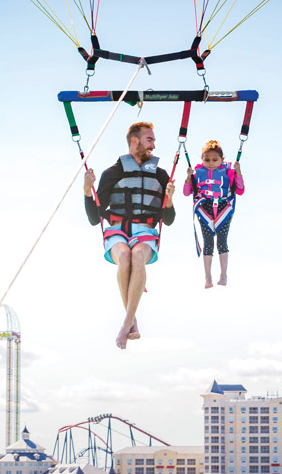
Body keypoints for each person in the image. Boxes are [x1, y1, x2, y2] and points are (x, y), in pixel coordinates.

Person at [84, 122, 175, 350]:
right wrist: (87, 191)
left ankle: (126, 324)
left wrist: (170, 199)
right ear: (135, 141)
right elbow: (95, 218)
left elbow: (169, 219)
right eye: (149, 140)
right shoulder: (112, 174)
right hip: (116, 232)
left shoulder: (161, 175)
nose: (154, 145)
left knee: (136, 256)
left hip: (145, 232)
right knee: (124, 256)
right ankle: (132, 321)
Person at [183, 139, 245, 288]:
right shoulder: (198, 173)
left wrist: (238, 172)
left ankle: (223, 275)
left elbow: (240, 190)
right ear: (202, 160)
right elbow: (186, 192)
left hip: (224, 207)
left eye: (215, 160)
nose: (211, 163)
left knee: (222, 241)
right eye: (207, 160)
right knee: (208, 242)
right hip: (205, 209)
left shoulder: (228, 172)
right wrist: (188, 177)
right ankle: (208, 277)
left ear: (222, 160)